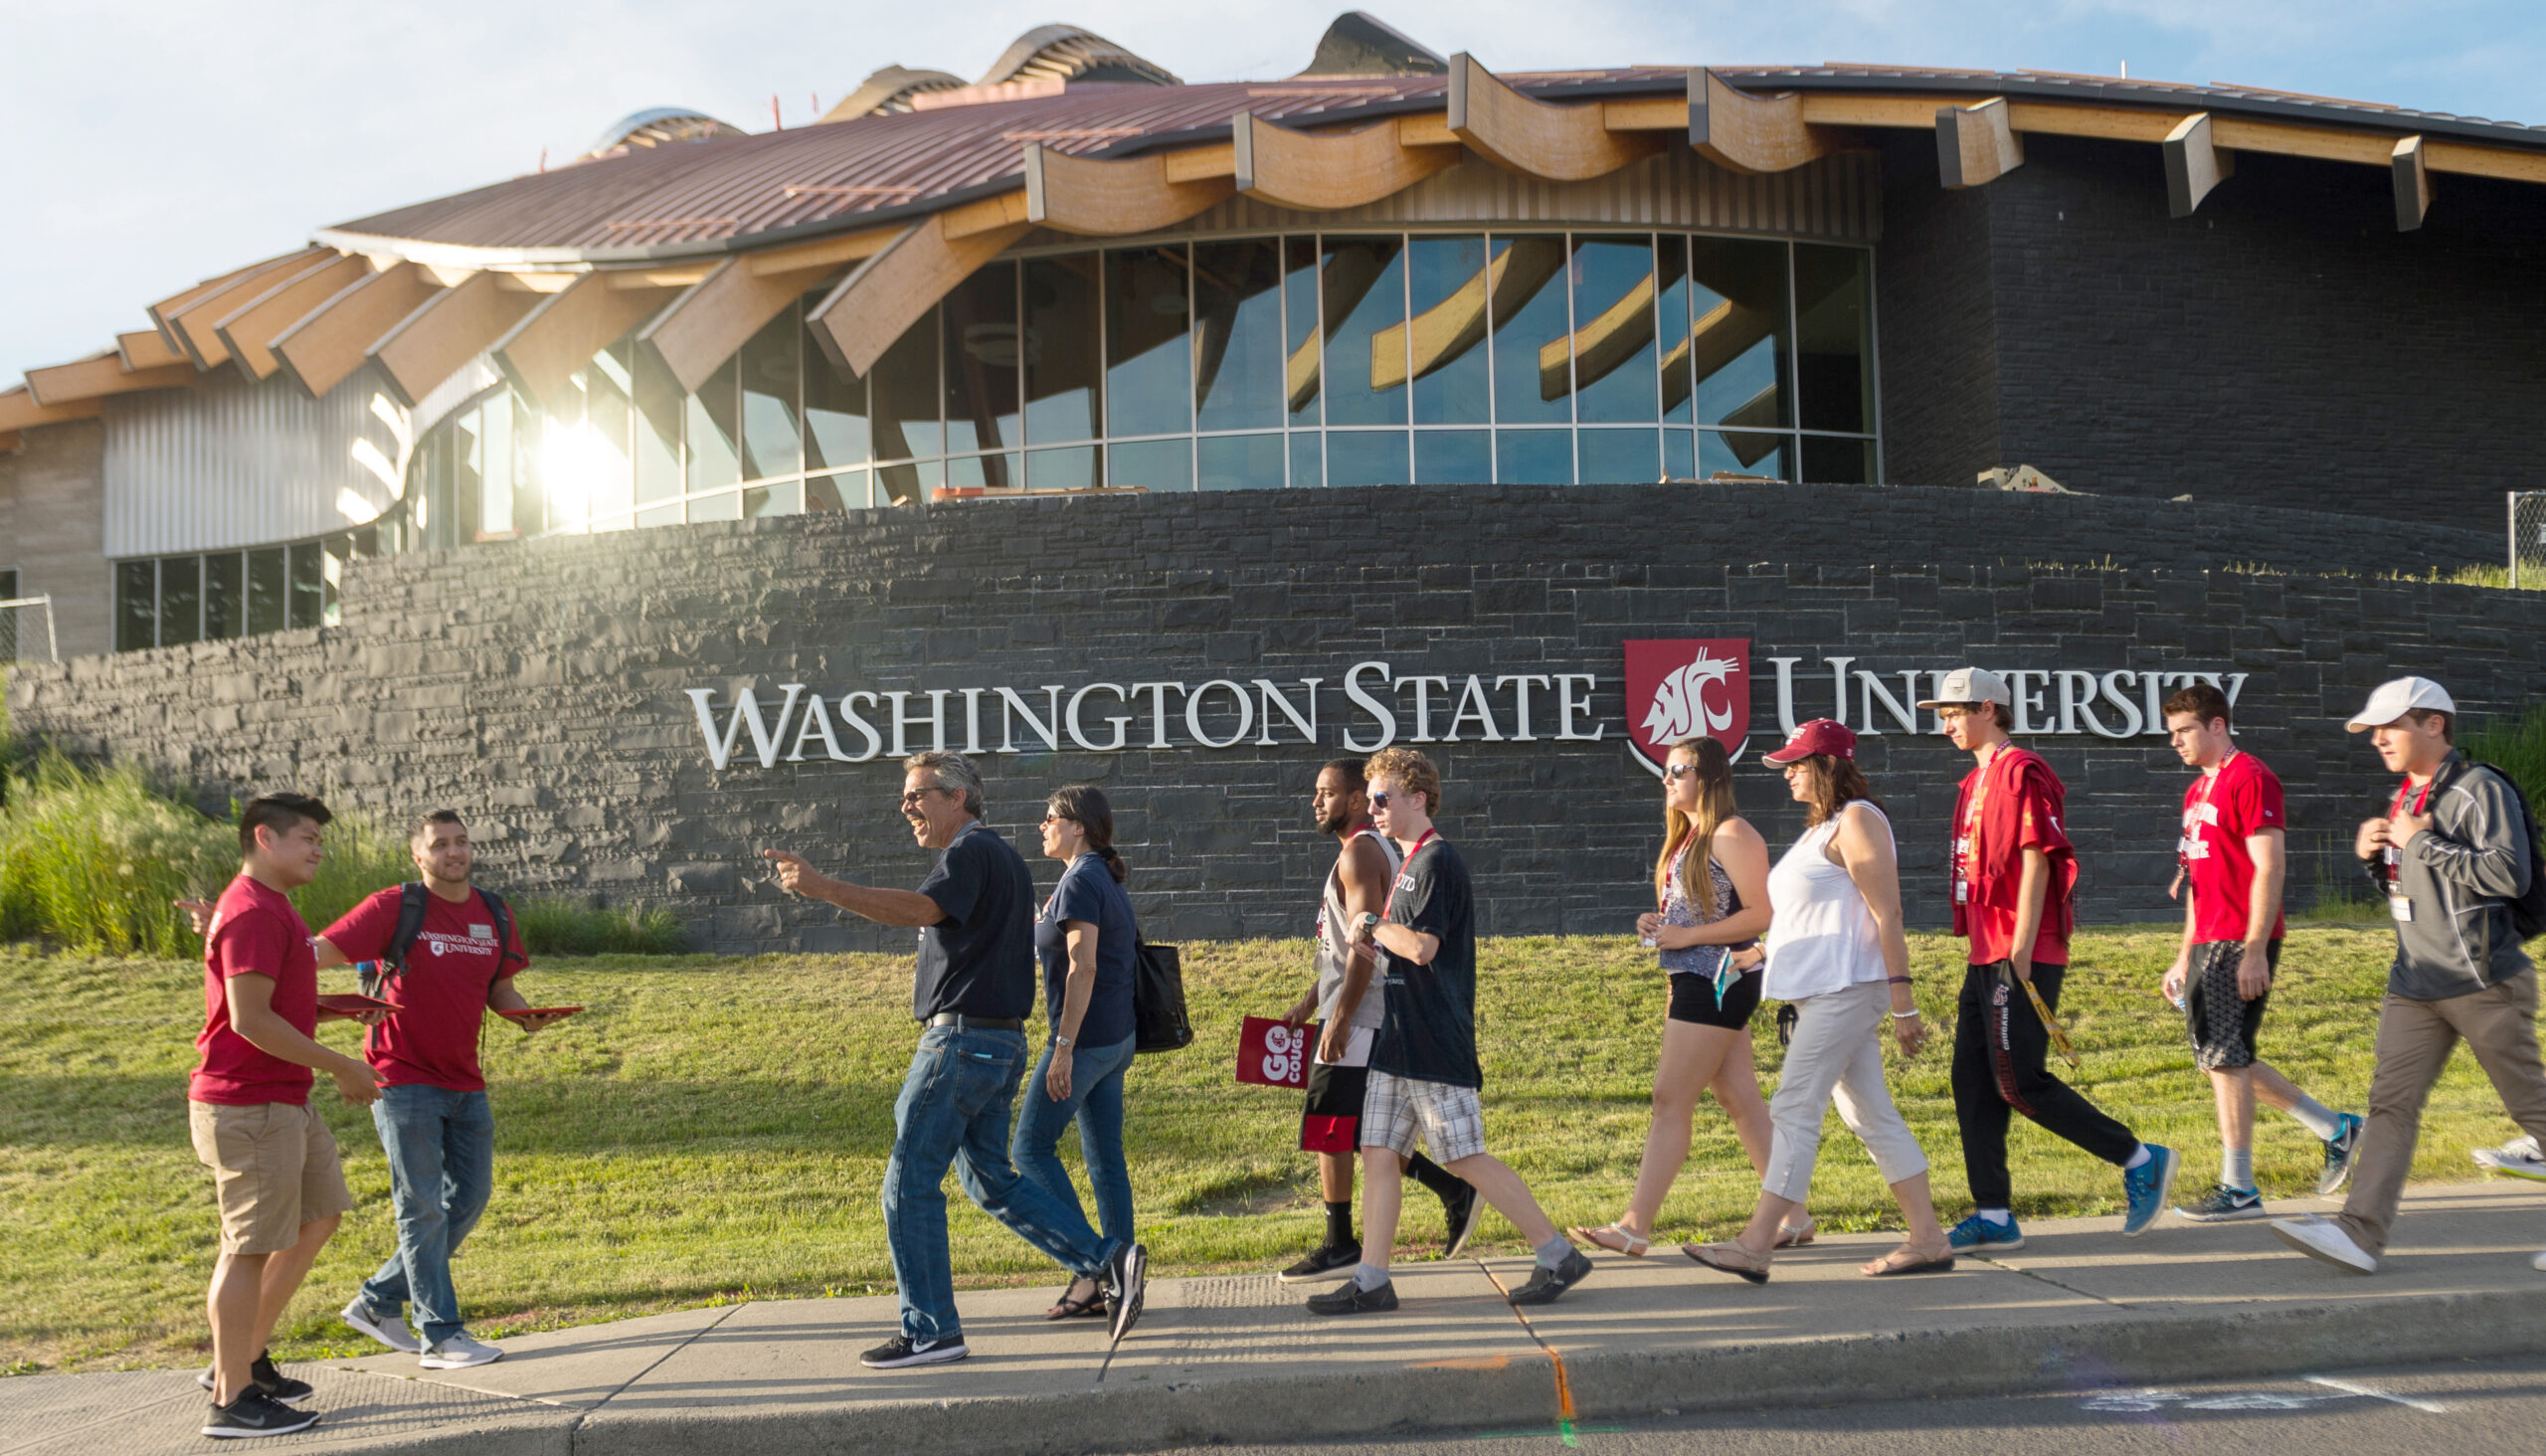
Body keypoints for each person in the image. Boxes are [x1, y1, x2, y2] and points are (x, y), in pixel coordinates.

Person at [765, 751, 1147, 1367]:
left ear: (957, 797)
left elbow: (919, 911)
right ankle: (1106, 1261)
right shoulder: (1001, 860)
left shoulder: (971, 853)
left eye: (918, 795)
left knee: (907, 1182)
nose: (906, 807)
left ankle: (931, 1331)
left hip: (961, 1044)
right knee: (988, 1177)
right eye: (905, 798)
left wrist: (821, 887)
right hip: (998, 1045)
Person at [2271, 677, 2546, 1275]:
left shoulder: (2479, 789)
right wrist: (2376, 861)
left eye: (2390, 727)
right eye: (2372, 730)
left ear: (2434, 724)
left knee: (2534, 1109)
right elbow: (2415, 891)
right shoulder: (2405, 798)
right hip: (2415, 981)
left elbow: (2509, 876)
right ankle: (2358, 1235)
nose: (2377, 739)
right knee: (2390, 1105)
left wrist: (2422, 843)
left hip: (2481, 977)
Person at [1306, 747, 1593, 1315]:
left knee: (1463, 1156)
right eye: (1373, 798)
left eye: (1384, 798)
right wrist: (1374, 938)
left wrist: (1371, 925)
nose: (1376, 808)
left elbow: (1421, 947)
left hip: (1434, 1039)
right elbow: (1397, 945)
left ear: (1418, 798)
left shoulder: (1435, 862)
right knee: (1377, 1149)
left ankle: (1558, 1254)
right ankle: (1372, 1282)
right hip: (1399, 1037)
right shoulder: (1410, 862)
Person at [1918, 667, 2180, 1250]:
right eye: (1943, 715)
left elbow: (2039, 859)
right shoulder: (1975, 780)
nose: (1948, 724)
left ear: (1989, 709)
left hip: (2021, 949)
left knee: (2020, 1082)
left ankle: (2139, 1159)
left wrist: (2021, 946)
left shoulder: (2021, 772)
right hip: (1986, 951)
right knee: (1972, 1082)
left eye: (1956, 712)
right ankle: (1992, 1213)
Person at [1685, 720, 1953, 1282]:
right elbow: (1815, 916)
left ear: (1830, 766)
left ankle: (1756, 1244)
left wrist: (1903, 1001)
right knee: (1868, 1113)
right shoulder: (1821, 829)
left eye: (1798, 764)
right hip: (1821, 991)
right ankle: (1928, 1239)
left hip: (1847, 990)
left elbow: (1888, 913)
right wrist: (1755, 957)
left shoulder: (1859, 820)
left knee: (1791, 1107)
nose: (1788, 774)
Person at [187, 793, 384, 1440]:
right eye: (306, 838)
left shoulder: (271, 908)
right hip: (250, 1104)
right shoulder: (250, 912)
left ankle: (243, 1356)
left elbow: (275, 999)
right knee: (247, 1250)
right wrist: (342, 1065)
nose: (318, 850)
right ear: (264, 839)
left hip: (282, 1100)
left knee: (319, 1215)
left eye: (319, 840)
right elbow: (248, 1019)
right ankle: (232, 1400)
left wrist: (336, 1006)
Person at [1570, 735, 1787, 1257]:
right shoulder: (1688, 837)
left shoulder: (1731, 833)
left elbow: (1761, 915)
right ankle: (1794, 1216)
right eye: (1666, 771)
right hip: (1695, 976)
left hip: (1721, 978)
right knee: (1739, 1098)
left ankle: (1634, 1226)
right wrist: (1657, 923)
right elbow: (1700, 911)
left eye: (1678, 770)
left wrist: (1685, 936)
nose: (1666, 779)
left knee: (1671, 1098)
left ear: (1709, 777)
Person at [2158, 685, 2364, 1220]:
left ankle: (2239, 1188)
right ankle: (2335, 1128)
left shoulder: (2251, 777)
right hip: (2208, 939)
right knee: (2221, 1059)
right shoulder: (2196, 792)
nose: (2175, 742)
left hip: (2240, 939)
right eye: (2172, 732)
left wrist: (2254, 951)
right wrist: (2183, 956)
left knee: (2224, 1060)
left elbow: (2270, 867)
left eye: (2184, 731)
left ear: (2218, 726)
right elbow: (2196, 883)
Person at [1278, 760, 1478, 1282]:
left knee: (1330, 1128)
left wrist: (1340, 1019)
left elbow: (1366, 944)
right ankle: (1448, 1190)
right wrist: (1311, 1001)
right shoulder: (1377, 849)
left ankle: (1341, 1242)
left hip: (1361, 1015)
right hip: (1352, 1007)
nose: (1317, 802)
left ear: (1351, 799)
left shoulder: (1361, 851)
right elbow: (1344, 948)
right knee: (1366, 1132)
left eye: (1327, 793)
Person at [1014, 786, 1141, 1322]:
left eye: (1051, 818)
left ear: (1079, 827)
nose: (1042, 825)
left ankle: (1093, 1267)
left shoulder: (1082, 881)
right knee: (1104, 1159)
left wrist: (1063, 1048)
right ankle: (1123, 1277)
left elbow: (1082, 967)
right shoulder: (1096, 879)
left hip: (1085, 1042)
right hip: (1115, 1039)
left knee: (1028, 1149)